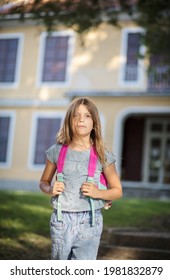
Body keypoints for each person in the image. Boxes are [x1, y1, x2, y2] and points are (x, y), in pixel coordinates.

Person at [39, 97, 122, 260]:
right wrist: (50, 189)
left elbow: (117, 191)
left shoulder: (102, 155)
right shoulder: (56, 151)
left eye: (87, 116)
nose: (81, 119)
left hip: (90, 222)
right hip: (61, 220)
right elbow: (43, 182)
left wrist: (98, 192)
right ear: (69, 121)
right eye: (76, 116)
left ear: (94, 123)